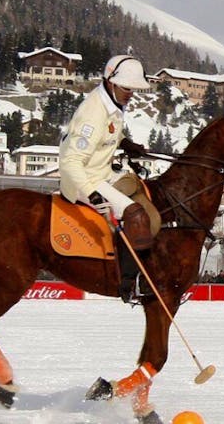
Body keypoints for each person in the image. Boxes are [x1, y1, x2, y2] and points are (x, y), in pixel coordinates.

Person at [59, 54, 161, 303]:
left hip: (102, 172)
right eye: (127, 88)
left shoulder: (112, 103)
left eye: (134, 89)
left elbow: (110, 132)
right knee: (135, 213)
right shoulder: (93, 113)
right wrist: (91, 193)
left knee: (145, 193)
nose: (131, 94)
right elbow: (71, 162)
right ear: (110, 81)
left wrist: (126, 143)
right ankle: (129, 282)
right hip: (82, 180)